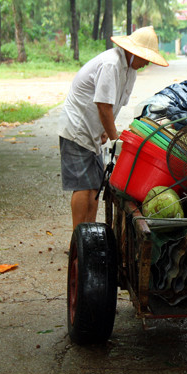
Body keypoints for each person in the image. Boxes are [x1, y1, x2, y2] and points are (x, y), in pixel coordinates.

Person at [58, 26, 169, 231]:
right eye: (145, 58)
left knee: (95, 186)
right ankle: (79, 240)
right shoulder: (111, 64)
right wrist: (114, 138)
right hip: (77, 130)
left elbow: (114, 106)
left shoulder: (129, 71)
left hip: (91, 133)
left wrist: (103, 132)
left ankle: (88, 235)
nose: (146, 63)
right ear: (134, 53)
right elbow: (103, 105)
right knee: (84, 186)